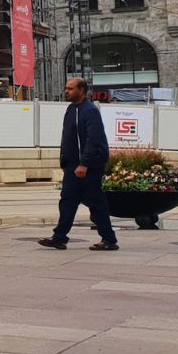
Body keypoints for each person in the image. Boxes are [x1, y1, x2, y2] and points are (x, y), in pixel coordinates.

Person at [38, 77, 119, 251]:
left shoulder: (90, 111)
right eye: (66, 88)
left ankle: (109, 240)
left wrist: (84, 164)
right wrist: (65, 161)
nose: (66, 91)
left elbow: (93, 139)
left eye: (71, 88)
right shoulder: (71, 109)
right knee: (67, 201)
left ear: (81, 90)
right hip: (73, 165)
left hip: (88, 166)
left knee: (96, 203)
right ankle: (59, 237)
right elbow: (67, 138)